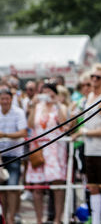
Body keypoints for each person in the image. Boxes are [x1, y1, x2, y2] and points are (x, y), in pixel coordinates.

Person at [71, 63, 101, 224]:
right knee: (93, 187)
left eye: (97, 77)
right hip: (89, 149)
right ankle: (96, 221)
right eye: (92, 76)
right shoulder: (88, 97)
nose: (94, 80)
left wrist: (83, 132)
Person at [26, 83, 68, 224]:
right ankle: (39, 220)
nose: (46, 95)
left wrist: (56, 103)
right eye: (43, 92)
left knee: (57, 185)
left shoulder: (60, 107)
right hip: (39, 149)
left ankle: (57, 219)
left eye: (49, 92)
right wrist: (33, 106)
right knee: (37, 187)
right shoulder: (37, 107)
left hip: (55, 150)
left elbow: (64, 124)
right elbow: (31, 125)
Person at [0, 88, 28, 224]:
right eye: (2, 98)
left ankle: (11, 218)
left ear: (11, 99)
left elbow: (23, 132)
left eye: (7, 98)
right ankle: (4, 217)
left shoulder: (19, 112)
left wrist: (4, 135)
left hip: (14, 155)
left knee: (12, 187)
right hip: (0, 156)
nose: (5, 101)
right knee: (2, 190)